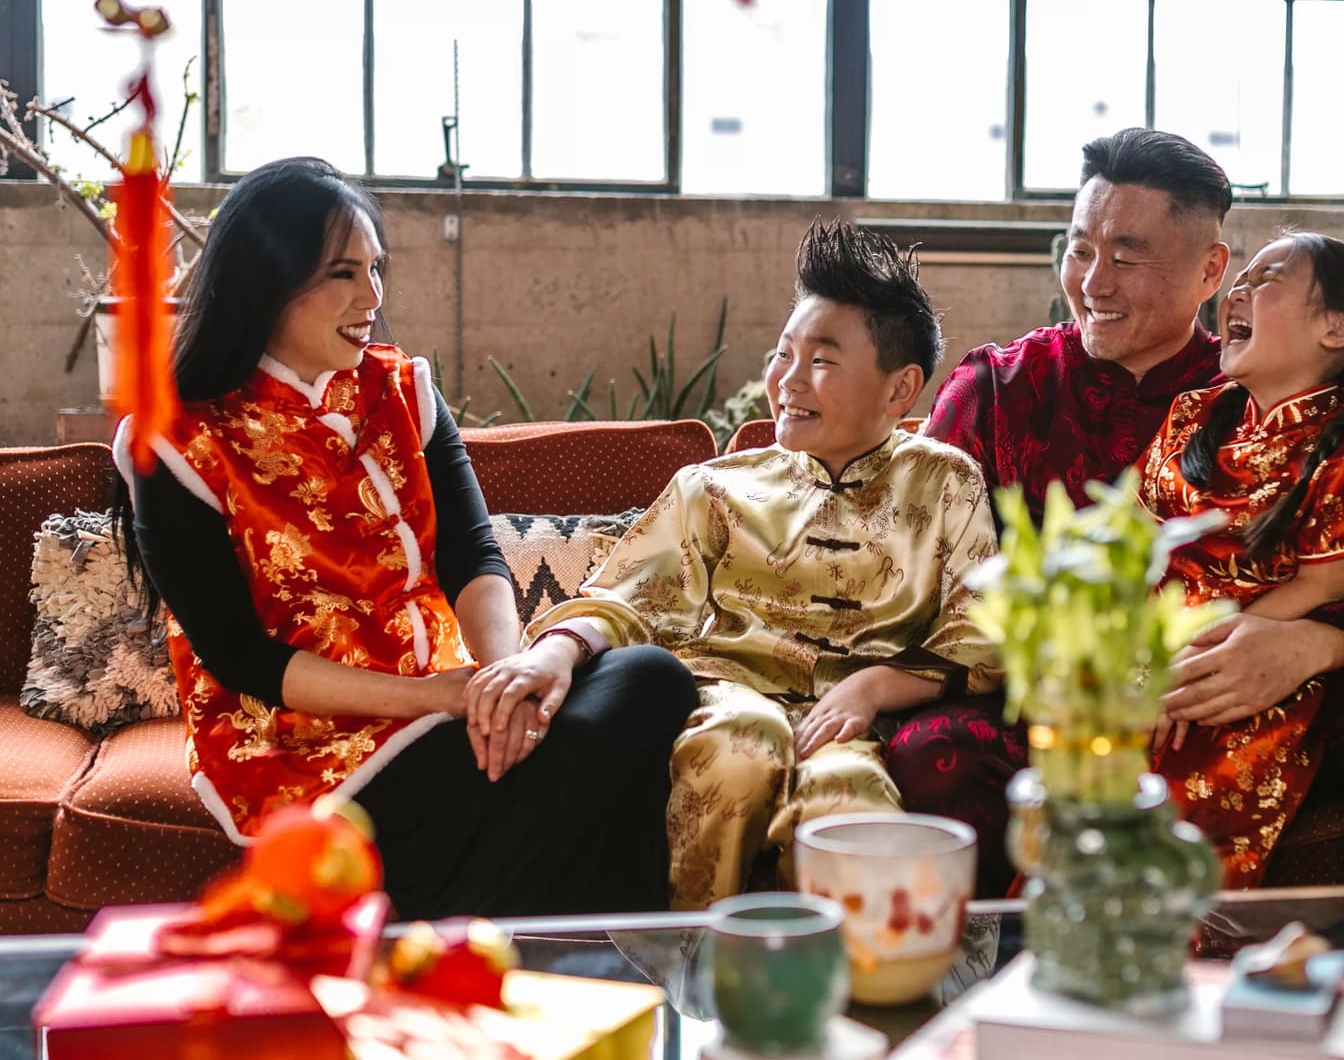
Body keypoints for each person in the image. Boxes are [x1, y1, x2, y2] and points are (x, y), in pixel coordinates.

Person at [913, 127, 1344, 917]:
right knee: (933, 752)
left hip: (1258, 700)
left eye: (1126, 256)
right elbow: (920, 552)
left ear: (1209, 270)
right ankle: (1013, 983)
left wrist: (1302, 644)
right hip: (1054, 714)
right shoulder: (999, 388)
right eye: (1079, 248)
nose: (1093, 280)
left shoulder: (1270, 380)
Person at [114, 157, 696, 919]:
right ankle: (543, 960)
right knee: (583, 774)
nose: (372, 297)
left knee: (650, 679)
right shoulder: (176, 444)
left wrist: (504, 683)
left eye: (376, 268)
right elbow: (242, 661)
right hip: (306, 744)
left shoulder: (403, 392)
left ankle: (432, 930)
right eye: (342, 274)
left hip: (447, 709)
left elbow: (472, 556)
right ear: (267, 283)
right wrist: (434, 700)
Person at [466, 219, 1002, 910]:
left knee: (853, 801)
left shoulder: (945, 482)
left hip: (850, 724)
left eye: (822, 359)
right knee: (742, 749)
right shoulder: (712, 487)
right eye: (782, 354)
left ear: (899, 390)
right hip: (724, 701)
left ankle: (851, 998)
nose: (786, 380)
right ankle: (693, 963)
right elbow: (628, 598)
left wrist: (874, 687)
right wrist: (557, 652)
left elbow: (979, 630)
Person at [1136, 232, 1344, 884]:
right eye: (1242, 277)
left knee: (1186, 809)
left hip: (1248, 660)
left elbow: (1324, 583)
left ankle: (1180, 955)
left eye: (1268, 280)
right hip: (1148, 643)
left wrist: (1201, 652)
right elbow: (1135, 541)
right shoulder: (1189, 415)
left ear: (1336, 327)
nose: (1239, 289)